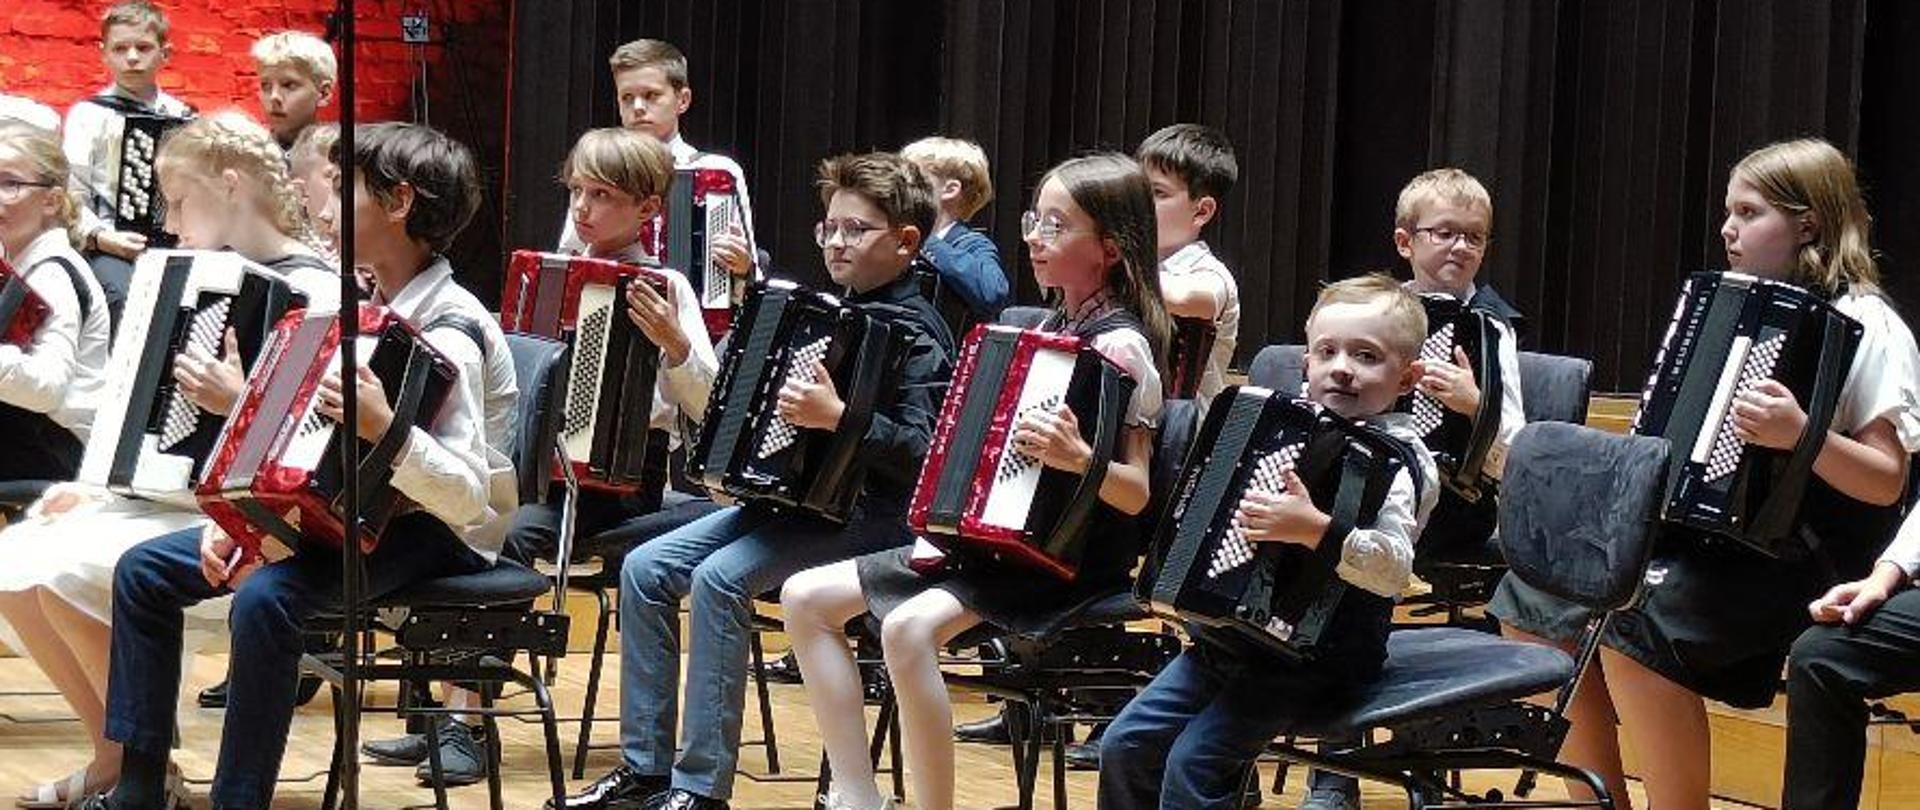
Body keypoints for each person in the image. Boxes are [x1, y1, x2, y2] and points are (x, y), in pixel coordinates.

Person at [86, 122, 519, 810]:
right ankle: (136, 790)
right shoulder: (362, 303)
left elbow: (467, 501)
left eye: (343, 190)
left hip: (437, 538)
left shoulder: (452, 329)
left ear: (399, 201)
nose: (323, 207)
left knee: (266, 600)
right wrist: (251, 524)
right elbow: (307, 450)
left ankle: (239, 799)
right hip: (353, 521)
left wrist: (387, 428)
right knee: (145, 572)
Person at [1488, 138, 1920, 810]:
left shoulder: (1871, 325)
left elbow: (1886, 480)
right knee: (1532, 600)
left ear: (1807, 224)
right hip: (1709, 542)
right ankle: (1600, 804)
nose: (1728, 228)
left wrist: (1802, 435)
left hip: (1803, 558)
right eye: (1729, 212)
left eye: (1749, 212)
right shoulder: (1730, 309)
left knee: (1635, 625)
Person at [552, 152, 952, 810]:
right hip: (795, 508)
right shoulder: (832, 313)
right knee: (646, 570)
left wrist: (839, 419)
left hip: (870, 520)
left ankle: (700, 788)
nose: (837, 244)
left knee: (718, 579)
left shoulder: (917, 334)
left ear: (907, 242)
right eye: (830, 229)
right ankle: (646, 771)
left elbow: (926, 452)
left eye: (857, 230)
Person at [783, 153, 1169, 810]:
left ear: (1109, 248)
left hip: (1065, 563)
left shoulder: (1123, 346)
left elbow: (1135, 493)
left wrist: (1082, 460)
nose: (1035, 237)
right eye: (1035, 220)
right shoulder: (1047, 328)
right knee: (803, 598)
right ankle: (856, 795)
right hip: (996, 546)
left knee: (907, 630)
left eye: (1057, 225)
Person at [362, 126, 719, 788]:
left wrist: (674, 346)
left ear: (647, 208)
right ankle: (443, 713)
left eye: (603, 195)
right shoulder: (548, 274)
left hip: (618, 485)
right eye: (577, 192)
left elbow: (709, 405)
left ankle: (468, 726)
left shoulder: (665, 287)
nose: (583, 209)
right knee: (444, 522)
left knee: (507, 538)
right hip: (537, 476)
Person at [0, 110, 330, 809]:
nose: (170, 223)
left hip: (252, 519)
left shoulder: (316, 289)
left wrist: (237, 401)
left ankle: (141, 763)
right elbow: (143, 414)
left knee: (63, 565)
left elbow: (304, 445)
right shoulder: (198, 275)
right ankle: (111, 755)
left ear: (230, 186)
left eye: (179, 203)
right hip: (172, 499)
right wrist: (96, 489)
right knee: (12, 563)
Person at [1098, 272, 1439, 809]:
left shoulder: (1399, 462)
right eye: (1326, 351)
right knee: (1126, 744)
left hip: (1318, 659)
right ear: (1307, 362)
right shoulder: (1276, 425)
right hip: (1228, 645)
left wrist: (1316, 529)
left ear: (1408, 377)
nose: (1342, 368)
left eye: (1367, 356)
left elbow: (1394, 571)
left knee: (1194, 763)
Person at [1296, 166, 1530, 810]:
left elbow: (1517, 452)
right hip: (1356, 492)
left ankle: (1391, 758)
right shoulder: (1368, 314)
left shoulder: (1491, 330)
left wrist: (1474, 402)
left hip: (1450, 503)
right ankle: (1326, 754)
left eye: (1474, 238)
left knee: (1342, 566)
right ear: (1406, 242)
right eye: (1444, 233)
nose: (1460, 248)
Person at [1139, 123, 1241, 408]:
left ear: (1202, 211)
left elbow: (1187, 299)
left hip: (1182, 438)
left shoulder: (1209, 272)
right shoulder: (1132, 263)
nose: (1139, 203)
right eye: (1137, 190)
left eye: (1158, 193)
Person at [900, 135, 1008, 331]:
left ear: (949, 189)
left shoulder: (972, 244)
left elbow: (993, 291)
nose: (900, 188)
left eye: (912, 179)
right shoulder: (900, 240)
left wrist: (926, 239)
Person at [250, 30, 335, 151]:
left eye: (288, 85)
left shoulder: (339, 158)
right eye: (266, 86)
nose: (274, 97)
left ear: (323, 93)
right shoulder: (249, 154)